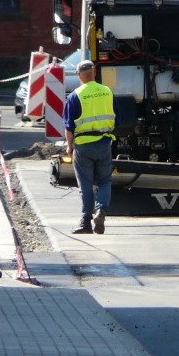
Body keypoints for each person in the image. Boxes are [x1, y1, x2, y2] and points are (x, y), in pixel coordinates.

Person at [64, 59, 116, 234]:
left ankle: (85, 222)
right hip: (104, 143)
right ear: (94, 72)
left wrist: (69, 147)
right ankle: (101, 211)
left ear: (79, 75)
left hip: (83, 146)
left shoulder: (75, 96)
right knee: (104, 180)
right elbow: (117, 116)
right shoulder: (107, 92)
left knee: (85, 185)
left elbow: (69, 127)